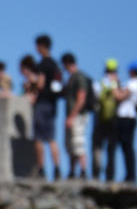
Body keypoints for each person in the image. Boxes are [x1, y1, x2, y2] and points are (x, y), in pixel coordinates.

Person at [106, 60, 137, 183]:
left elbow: (119, 97)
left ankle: (130, 175)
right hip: (129, 118)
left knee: (125, 147)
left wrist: (113, 84)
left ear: (132, 71)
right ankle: (129, 175)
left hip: (126, 118)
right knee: (126, 147)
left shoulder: (133, 84)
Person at [32, 34, 63, 180]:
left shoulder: (43, 64)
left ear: (41, 46)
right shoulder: (55, 65)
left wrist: (33, 82)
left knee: (38, 138)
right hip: (52, 105)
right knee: (51, 138)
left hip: (42, 103)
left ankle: (41, 169)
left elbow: (40, 84)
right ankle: (57, 169)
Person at [60, 52, 92, 179]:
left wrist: (72, 116)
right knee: (70, 145)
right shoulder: (71, 78)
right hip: (72, 116)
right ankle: (72, 171)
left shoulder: (79, 77)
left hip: (78, 116)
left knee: (78, 143)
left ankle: (83, 170)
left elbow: (81, 99)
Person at [91, 59, 120, 179]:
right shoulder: (118, 84)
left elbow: (95, 99)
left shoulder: (99, 83)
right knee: (111, 149)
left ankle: (96, 173)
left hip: (100, 120)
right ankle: (110, 175)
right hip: (114, 120)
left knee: (97, 147)